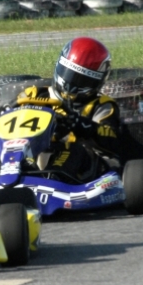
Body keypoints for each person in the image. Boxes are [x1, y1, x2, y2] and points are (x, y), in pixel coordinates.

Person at [13, 36, 122, 182]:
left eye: (81, 80)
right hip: (32, 151)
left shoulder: (101, 105)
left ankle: (53, 181)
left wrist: (81, 125)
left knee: (72, 150)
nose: (70, 86)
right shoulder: (33, 94)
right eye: (69, 75)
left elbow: (112, 138)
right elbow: (4, 118)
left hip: (82, 164)